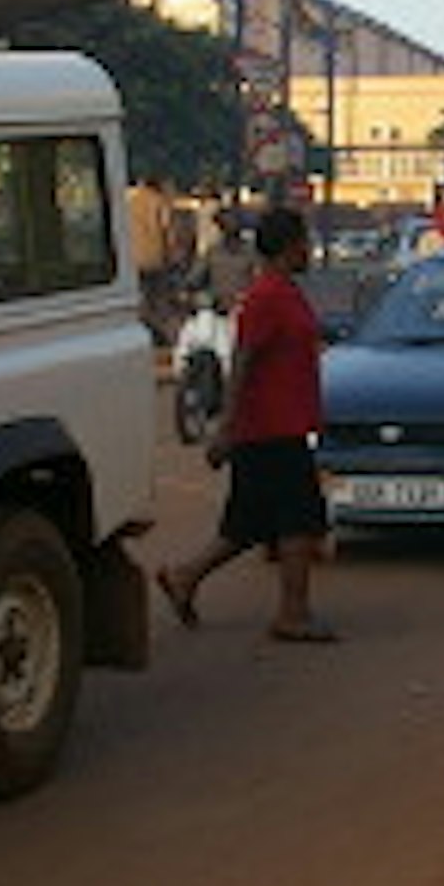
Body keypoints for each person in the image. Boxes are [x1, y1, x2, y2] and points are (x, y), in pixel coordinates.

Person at [154, 205, 338, 642]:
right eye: (304, 242)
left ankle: (184, 577)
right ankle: (293, 613)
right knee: (297, 521)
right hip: (270, 428)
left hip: (282, 424)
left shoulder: (283, 292)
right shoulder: (267, 296)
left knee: (248, 524)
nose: (309, 249)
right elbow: (242, 362)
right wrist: (227, 427)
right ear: (290, 247)